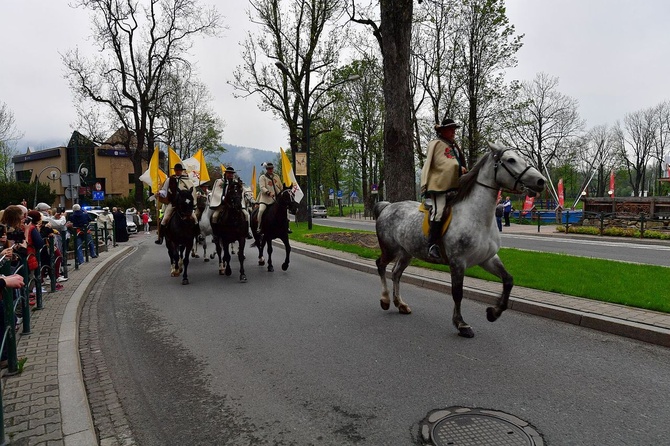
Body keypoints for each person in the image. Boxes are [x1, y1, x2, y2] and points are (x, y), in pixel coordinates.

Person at [420, 118, 468, 259]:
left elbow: (455, 162)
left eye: (454, 129)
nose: (453, 132)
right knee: (439, 211)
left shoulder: (454, 146)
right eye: (451, 129)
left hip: (454, 185)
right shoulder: (436, 144)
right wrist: (459, 168)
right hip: (438, 185)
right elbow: (443, 164)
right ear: (443, 131)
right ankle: (432, 245)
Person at [155, 163, 195, 244]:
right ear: (174, 170)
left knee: (195, 218)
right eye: (177, 170)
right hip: (173, 203)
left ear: (182, 171)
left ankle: (197, 234)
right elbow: (164, 190)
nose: (178, 172)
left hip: (184, 204)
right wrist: (160, 193)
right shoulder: (169, 179)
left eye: (180, 170)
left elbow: (192, 191)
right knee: (165, 219)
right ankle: (161, 237)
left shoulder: (187, 180)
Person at [256, 162, 282, 235]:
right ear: (266, 169)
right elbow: (262, 187)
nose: (270, 170)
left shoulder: (276, 176)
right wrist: (268, 192)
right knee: (261, 210)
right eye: (269, 169)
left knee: (284, 209)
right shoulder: (262, 177)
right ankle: (259, 227)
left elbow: (280, 186)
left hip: (276, 199)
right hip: (265, 199)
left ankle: (286, 226)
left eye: (271, 168)